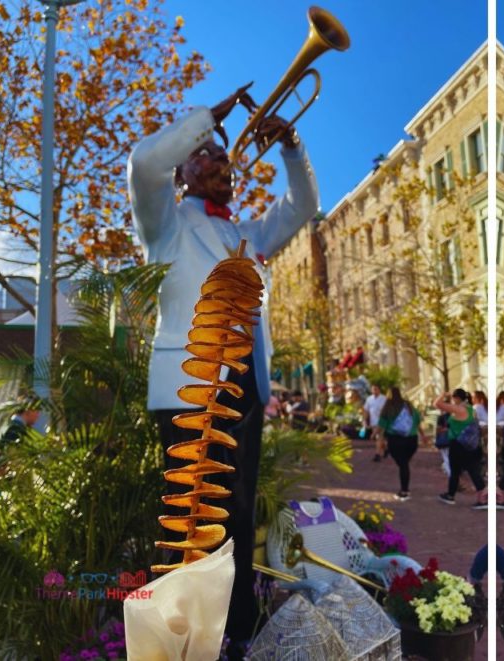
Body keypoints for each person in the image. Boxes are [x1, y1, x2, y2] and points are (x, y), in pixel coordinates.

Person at [129, 82, 319, 653]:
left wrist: (290, 146)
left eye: (222, 155)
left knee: (234, 519)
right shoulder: (166, 225)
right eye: (206, 154)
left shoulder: (246, 234)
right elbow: (143, 163)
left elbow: (304, 207)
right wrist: (205, 120)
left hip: (242, 388)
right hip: (190, 385)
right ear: (184, 172)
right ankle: (178, 640)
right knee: (191, 520)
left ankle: (233, 635)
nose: (220, 161)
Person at [435, 389, 485, 505]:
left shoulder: (459, 409)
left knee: (458, 471)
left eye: (453, 397)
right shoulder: (471, 410)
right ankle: (452, 494)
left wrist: (443, 394)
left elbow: (437, 404)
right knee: (471, 471)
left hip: (458, 445)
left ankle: (481, 499)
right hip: (470, 444)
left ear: (457, 398)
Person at [378, 387, 427, 501]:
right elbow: (418, 422)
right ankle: (405, 488)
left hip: (395, 440)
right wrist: (423, 436)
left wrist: (380, 440)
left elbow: (382, 426)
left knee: (403, 464)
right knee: (404, 464)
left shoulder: (388, 408)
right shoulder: (409, 406)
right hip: (412, 439)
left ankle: (404, 491)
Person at [363, 383, 388, 463]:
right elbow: (366, 410)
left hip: (382, 421)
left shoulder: (384, 398)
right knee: (379, 438)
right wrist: (364, 420)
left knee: (379, 437)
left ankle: (377, 454)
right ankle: (385, 449)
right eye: (373, 389)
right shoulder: (369, 399)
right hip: (373, 421)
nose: (374, 391)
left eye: (376, 389)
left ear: (379, 389)